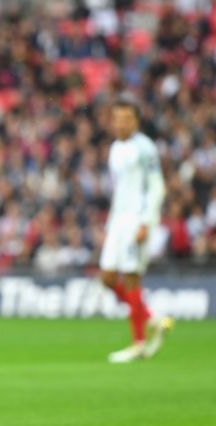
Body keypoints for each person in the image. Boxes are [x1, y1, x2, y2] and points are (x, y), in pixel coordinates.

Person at [99, 98, 171, 363]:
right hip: (118, 221)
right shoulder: (116, 148)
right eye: (117, 118)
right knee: (107, 277)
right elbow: (121, 191)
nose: (121, 123)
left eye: (126, 118)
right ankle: (150, 318)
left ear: (136, 121)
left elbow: (157, 187)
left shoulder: (145, 148)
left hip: (136, 221)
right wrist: (110, 226)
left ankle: (139, 343)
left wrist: (146, 222)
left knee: (131, 278)